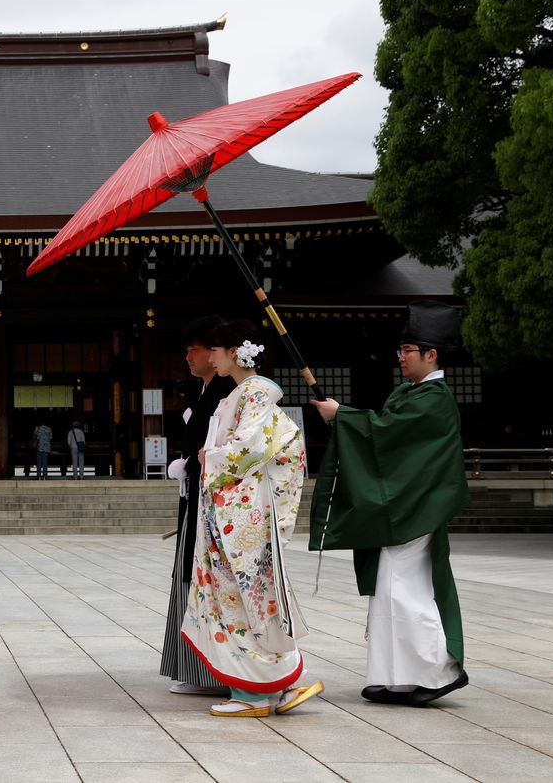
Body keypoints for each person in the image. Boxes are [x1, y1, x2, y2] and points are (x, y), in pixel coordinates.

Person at [310, 301, 470, 707]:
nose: (400, 358)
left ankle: (435, 671)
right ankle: (395, 677)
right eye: (401, 350)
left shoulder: (434, 399)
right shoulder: (412, 393)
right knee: (391, 588)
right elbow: (384, 435)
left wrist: (342, 415)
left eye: (408, 351)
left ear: (431, 355)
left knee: (407, 590)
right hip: (407, 508)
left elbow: (385, 437)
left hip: (417, 510)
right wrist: (344, 417)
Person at [180, 319, 322, 717]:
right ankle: (284, 679)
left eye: (216, 350)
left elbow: (250, 448)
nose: (210, 357)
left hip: (242, 513)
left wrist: (211, 458)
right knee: (249, 596)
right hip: (231, 509)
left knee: (243, 596)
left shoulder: (256, 393)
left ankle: (256, 692)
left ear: (234, 353)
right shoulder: (242, 394)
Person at [160, 315, 233, 696]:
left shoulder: (228, 393)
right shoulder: (206, 392)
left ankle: (215, 671)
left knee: (206, 578)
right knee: (190, 576)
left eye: (196, 349)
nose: (188, 356)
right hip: (196, 498)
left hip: (215, 505)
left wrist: (189, 463)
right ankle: (195, 667)